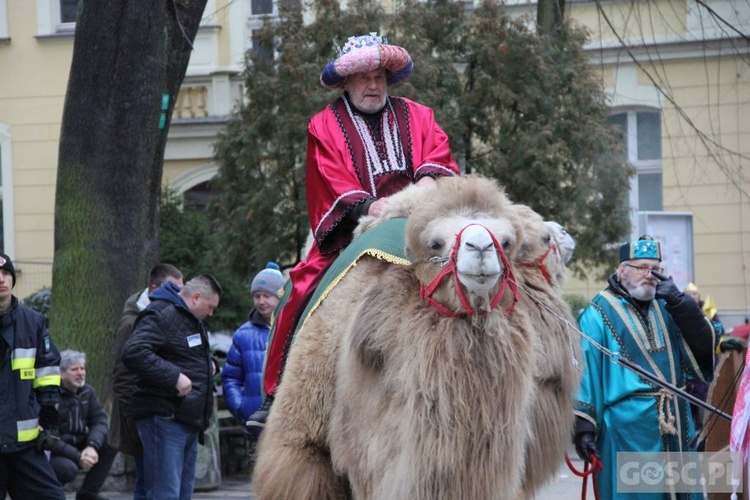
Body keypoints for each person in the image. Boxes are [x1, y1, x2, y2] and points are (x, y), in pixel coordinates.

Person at [248, 32, 460, 428]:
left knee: (481, 267)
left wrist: (424, 187)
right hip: (352, 229)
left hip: (422, 223)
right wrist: (370, 206)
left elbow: (438, 159)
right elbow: (331, 179)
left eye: (379, 75)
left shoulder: (420, 114)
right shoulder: (323, 125)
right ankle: (278, 392)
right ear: (346, 82)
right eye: (363, 77)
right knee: (299, 288)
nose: (373, 84)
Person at [573, 236, 718, 499]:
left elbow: (704, 349)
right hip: (628, 432)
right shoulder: (597, 313)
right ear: (622, 270)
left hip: (676, 421)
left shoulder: (668, 305)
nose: (650, 275)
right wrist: (583, 428)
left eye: (656, 268)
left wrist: (684, 307)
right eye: (641, 267)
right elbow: (586, 373)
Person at [121, 274, 222, 500]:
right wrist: (174, 376)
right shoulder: (162, 314)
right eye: (211, 306)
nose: (211, 313)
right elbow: (134, 352)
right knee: (164, 494)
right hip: (165, 418)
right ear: (196, 297)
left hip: (187, 419)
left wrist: (211, 365)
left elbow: (184, 353)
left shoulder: (189, 319)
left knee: (180, 494)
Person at [109, 263, 183, 499]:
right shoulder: (132, 324)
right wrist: (138, 418)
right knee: (149, 483)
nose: (179, 297)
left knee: (150, 481)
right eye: (174, 290)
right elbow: (122, 377)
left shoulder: (161, 315)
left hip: (155, 413)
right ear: (153, 289)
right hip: (142, 416)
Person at [0, 252, 66, 499]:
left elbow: (48, 373)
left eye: (6, 273)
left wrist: (50, 422)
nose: (1, 279)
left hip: (24, 447)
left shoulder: (33, 322)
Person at [51, 350, 117, 500]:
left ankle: (88, 493)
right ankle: (50, 494)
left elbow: (100, 421)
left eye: (82, 368)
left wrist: (92, 446)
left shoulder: (88, 392)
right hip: (55, 450)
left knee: (111, 442)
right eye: (74, 369)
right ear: (61, 373)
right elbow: (49, 437)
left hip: (79, 444)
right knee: (68, 469)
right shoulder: (51, 394)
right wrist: (77, 456)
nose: (80, 373)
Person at [222, 263, 284, 421]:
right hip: (254, 422)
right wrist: (240, 408)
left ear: (280, 296)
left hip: (286, 422)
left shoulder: (293, 329)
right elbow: (231, 378)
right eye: (257, 296)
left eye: (266, 295)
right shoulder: (243, 335)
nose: (261, 301)